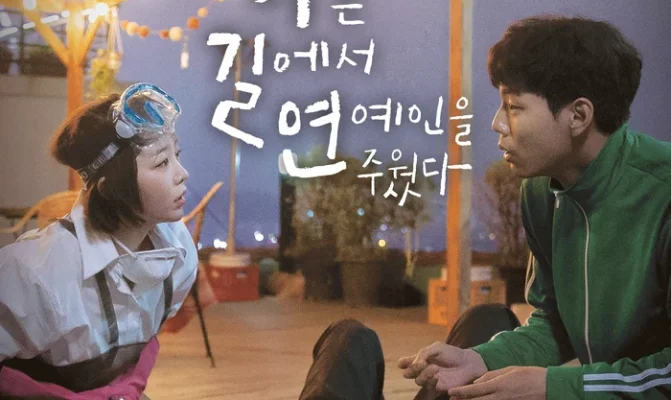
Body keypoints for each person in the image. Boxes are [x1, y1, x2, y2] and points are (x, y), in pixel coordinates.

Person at [298, 14, 671, 400]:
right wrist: (478, 359)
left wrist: (552, 386)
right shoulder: (541, 190)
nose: (497, 123)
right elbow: (555, 324)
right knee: (348, 337)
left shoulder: (662, 192)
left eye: (513, 106)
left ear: (578, 115)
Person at [0, 82, 198, 399]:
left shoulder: (178, 250)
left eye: (177, 155)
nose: (182, 173)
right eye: (162, 162)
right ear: (108, 187)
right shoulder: (35, 273)